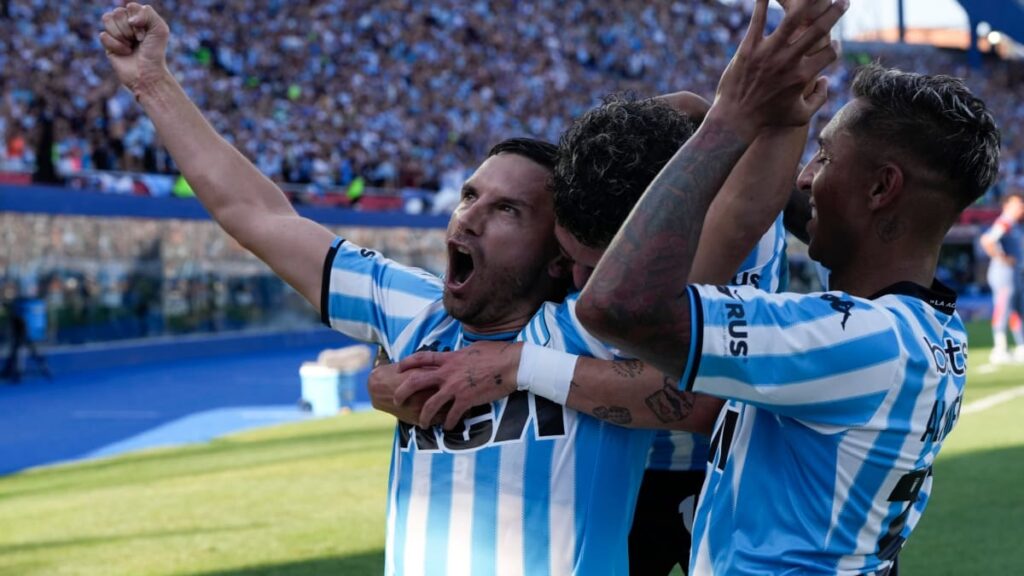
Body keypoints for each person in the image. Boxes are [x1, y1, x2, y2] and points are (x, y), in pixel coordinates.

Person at [576, 15, 997, 576]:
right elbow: (791, 205)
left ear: (880, 188)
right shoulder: (925, 329)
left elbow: (618, 303)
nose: (805, 177)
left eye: (824, 157)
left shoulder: (859, 341)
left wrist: (732, 115)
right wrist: (771, 115)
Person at [384, 92, 804, 575]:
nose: (580, 288)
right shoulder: (588, 210)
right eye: (569, 263)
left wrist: (520, 365)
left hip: (742, 472)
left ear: (649, 235)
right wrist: (395, 372)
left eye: (597, 265)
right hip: (635, 475)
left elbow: (701, 402)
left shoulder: (749, 220)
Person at [979, 193, 1024, 364]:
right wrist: (1002, 258)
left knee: (1018, 309)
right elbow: (987, 240)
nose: (1020, 207)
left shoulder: (1015, 225)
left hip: (1014, 273)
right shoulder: (1005, 222)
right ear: (1006, 205)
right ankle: (999, 348)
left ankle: (1021, 346)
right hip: (1003, 272)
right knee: (1003, 307)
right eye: (1017, 204)